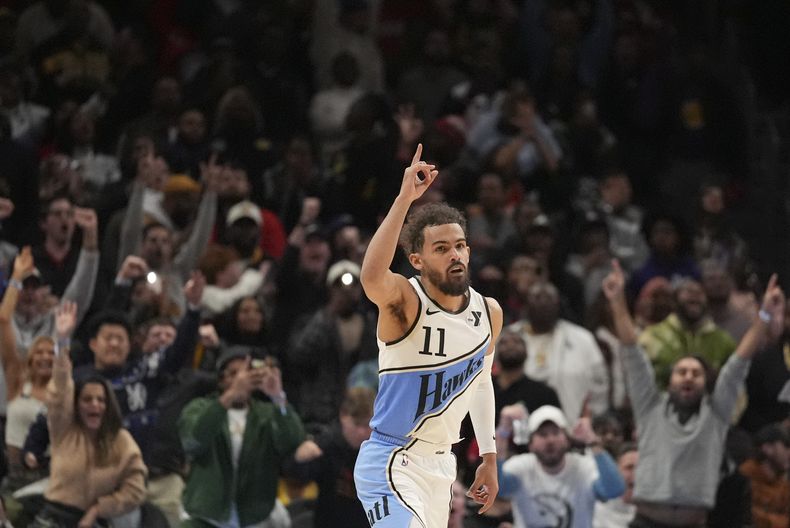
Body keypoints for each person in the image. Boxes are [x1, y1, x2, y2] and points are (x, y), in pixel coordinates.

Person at [353, 144, 502, 527]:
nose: (455, 255)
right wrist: (404, 200)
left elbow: (481, 383)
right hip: (392, 460)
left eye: (460, 246)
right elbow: (371, 277)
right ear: (417, 260)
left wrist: (488, 456)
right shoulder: (405, 301)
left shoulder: (488, 313)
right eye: (441, 248)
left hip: (442, 467)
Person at [601, 260, 784, 527]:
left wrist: (765, 314)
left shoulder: (717, 414)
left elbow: (738, 363)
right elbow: (632, 352)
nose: (688, 376)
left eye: (696, 373)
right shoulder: (650, 407)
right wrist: (617, 301)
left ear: (705, 383)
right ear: (670, 381)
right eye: (681, 371)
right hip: (646, 522)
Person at [32, 302, 147, 528]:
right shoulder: (64, 429)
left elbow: (136, 489)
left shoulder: (121, 440)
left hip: (95, 521)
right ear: (76, 405)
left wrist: (99, 508)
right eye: (87, 399)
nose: (95, 405)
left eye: (100, 400)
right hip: (54, 517)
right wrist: (63, 341)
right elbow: (59, 392)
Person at [178, 349, 305, 528]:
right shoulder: (199, 408)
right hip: (206, 517)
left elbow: (293, 442)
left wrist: (278, 397)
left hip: (253, 517)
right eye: (234, 373)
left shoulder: (267, 414)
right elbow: (193, 442)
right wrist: (229, 396)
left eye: (246, 373)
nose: (242, 379)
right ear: (221, 380)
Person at [495, 404, 625, 528]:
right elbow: (495, 487)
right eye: (543, 434)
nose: (550, 440)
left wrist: (592, 441)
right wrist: (502, 432)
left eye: (556, 433)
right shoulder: (522, 467)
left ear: (567, 440)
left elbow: (614, 490)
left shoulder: (583, 467)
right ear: (530, 444)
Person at [285, 386, 376, 528]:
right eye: (357, 424)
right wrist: (298, 459)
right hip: (331, 521)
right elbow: (295, 479)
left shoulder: (382, 450)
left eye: (368, 425)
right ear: (343, 416)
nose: (362, 432)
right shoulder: (325, 445)